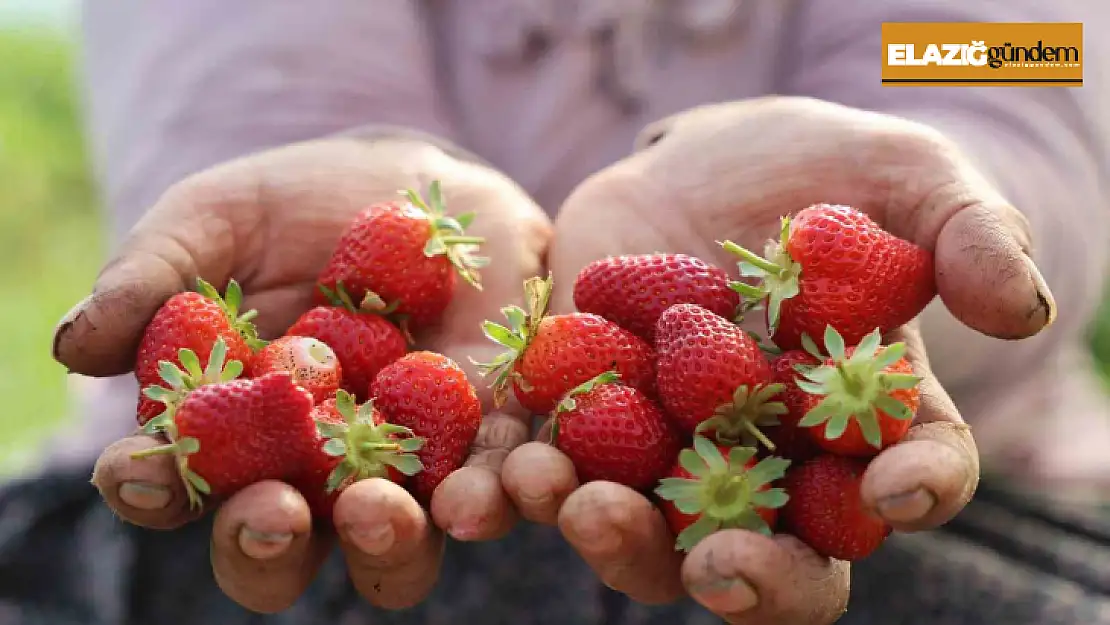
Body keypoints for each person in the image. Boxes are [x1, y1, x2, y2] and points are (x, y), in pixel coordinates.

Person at [1, 1, 1108, 624]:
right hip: (276, 487)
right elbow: (246, 113)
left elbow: (1007, 73)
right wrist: (364, 182)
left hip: (909, 483)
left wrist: (925, 218)